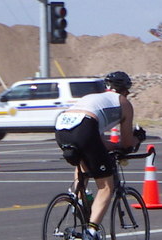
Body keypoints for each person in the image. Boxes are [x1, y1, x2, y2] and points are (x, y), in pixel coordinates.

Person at [55, 71, 146, 240]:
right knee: (106, 187)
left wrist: (116, 145)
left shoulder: (95, 98)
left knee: (84, 165)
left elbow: (98, 142)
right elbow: (127, 143)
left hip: (62, 128)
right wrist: (138, 137)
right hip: (85, 128)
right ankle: (91, 232)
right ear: (125, 90)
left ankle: (77, 197)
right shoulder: (123, 103)